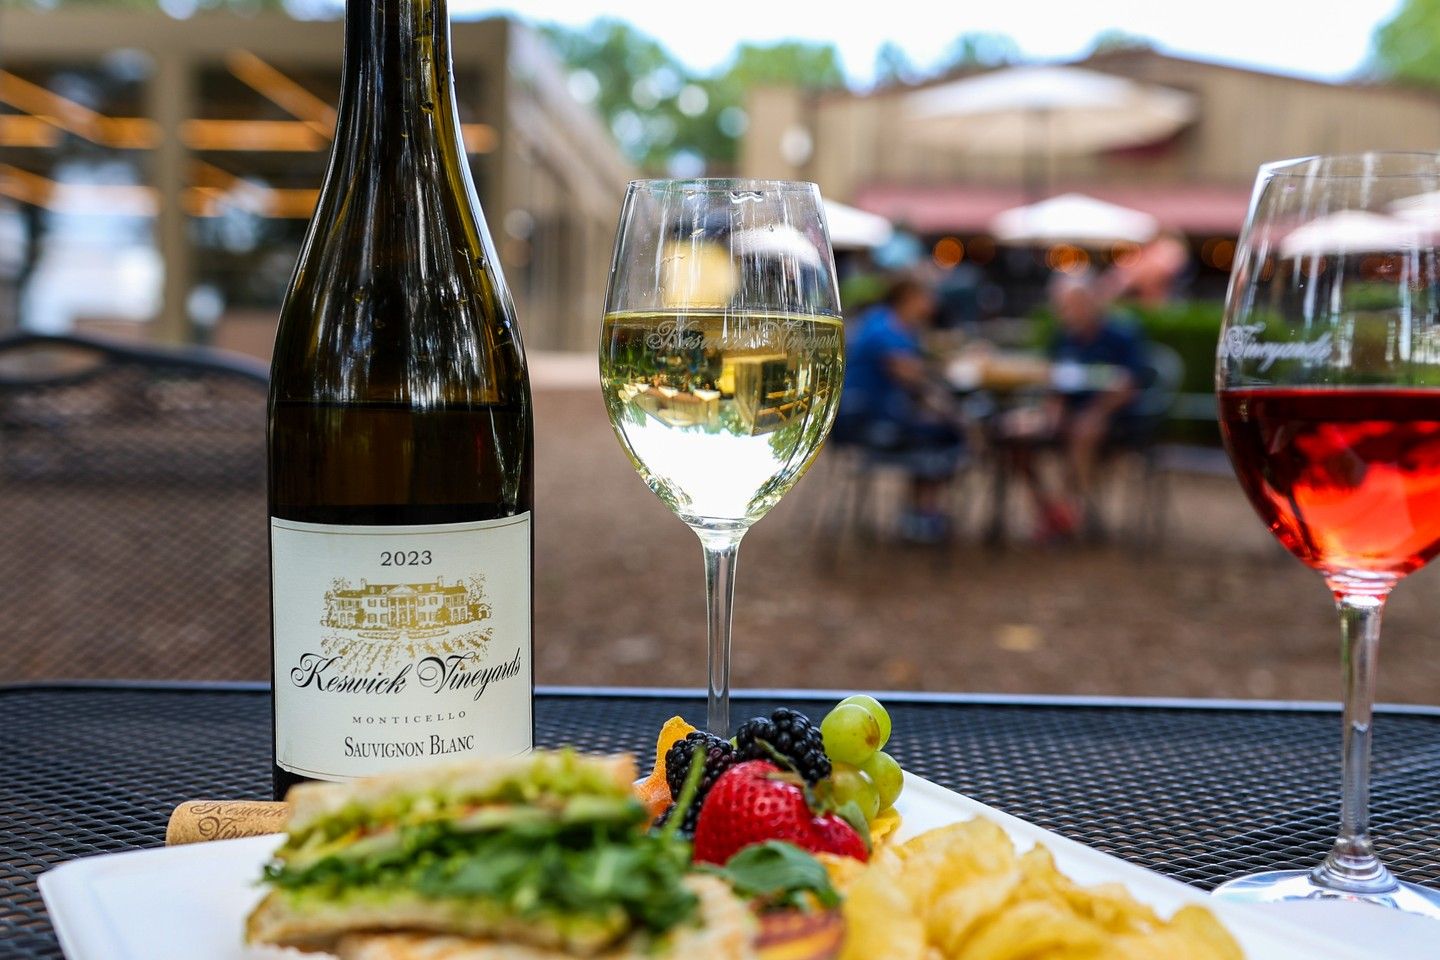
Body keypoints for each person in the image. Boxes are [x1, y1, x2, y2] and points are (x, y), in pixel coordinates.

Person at [1012, 271, 1149, 540]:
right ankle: (1048, 508)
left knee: (1084, 430)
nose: (1069, 311)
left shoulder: (1122, 334)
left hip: (1111, 415)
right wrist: (1051, 411)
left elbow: (1130, 384)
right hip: (1069, 412)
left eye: (1075, 303)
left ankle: (1070, 508)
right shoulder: (1063, 336)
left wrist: (1096, 412)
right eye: (1063, 305)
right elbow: (1053, 380)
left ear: (1092, 301)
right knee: (1015, 433)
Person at [836, 276, 967, 543]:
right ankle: (923, 514)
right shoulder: (886, 328)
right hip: (864, 423)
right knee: (947, 433)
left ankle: (919, 510)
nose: (932, 304)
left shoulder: (888, 322)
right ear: (909, 297)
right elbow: (911, 376)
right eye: (926, 297)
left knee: (939, 429)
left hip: (870, 417)